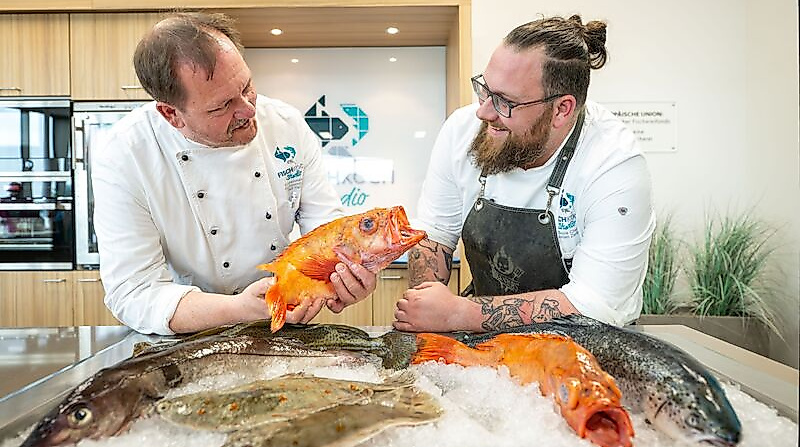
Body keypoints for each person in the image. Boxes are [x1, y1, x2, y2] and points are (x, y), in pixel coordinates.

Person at [92, 12, 376, 335]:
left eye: (247, 86)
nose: (248, 109)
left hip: (287, 326)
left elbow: (327, 233)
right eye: (222, 106)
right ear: (172, 114)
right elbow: (135, 291)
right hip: (191, 333)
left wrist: (349, 272)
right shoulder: (125, 156)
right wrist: (238, 309)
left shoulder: (286, 125)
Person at [395, 15, 656, 333]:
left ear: (561, 109)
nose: (484, 112)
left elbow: (592, 305)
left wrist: (458, 315)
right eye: (484, 90)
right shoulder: (462, 130)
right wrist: (426, 306)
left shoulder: (613, 164)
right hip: (487, 343)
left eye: (505, 102)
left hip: (590, 347)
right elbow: (434, 234)